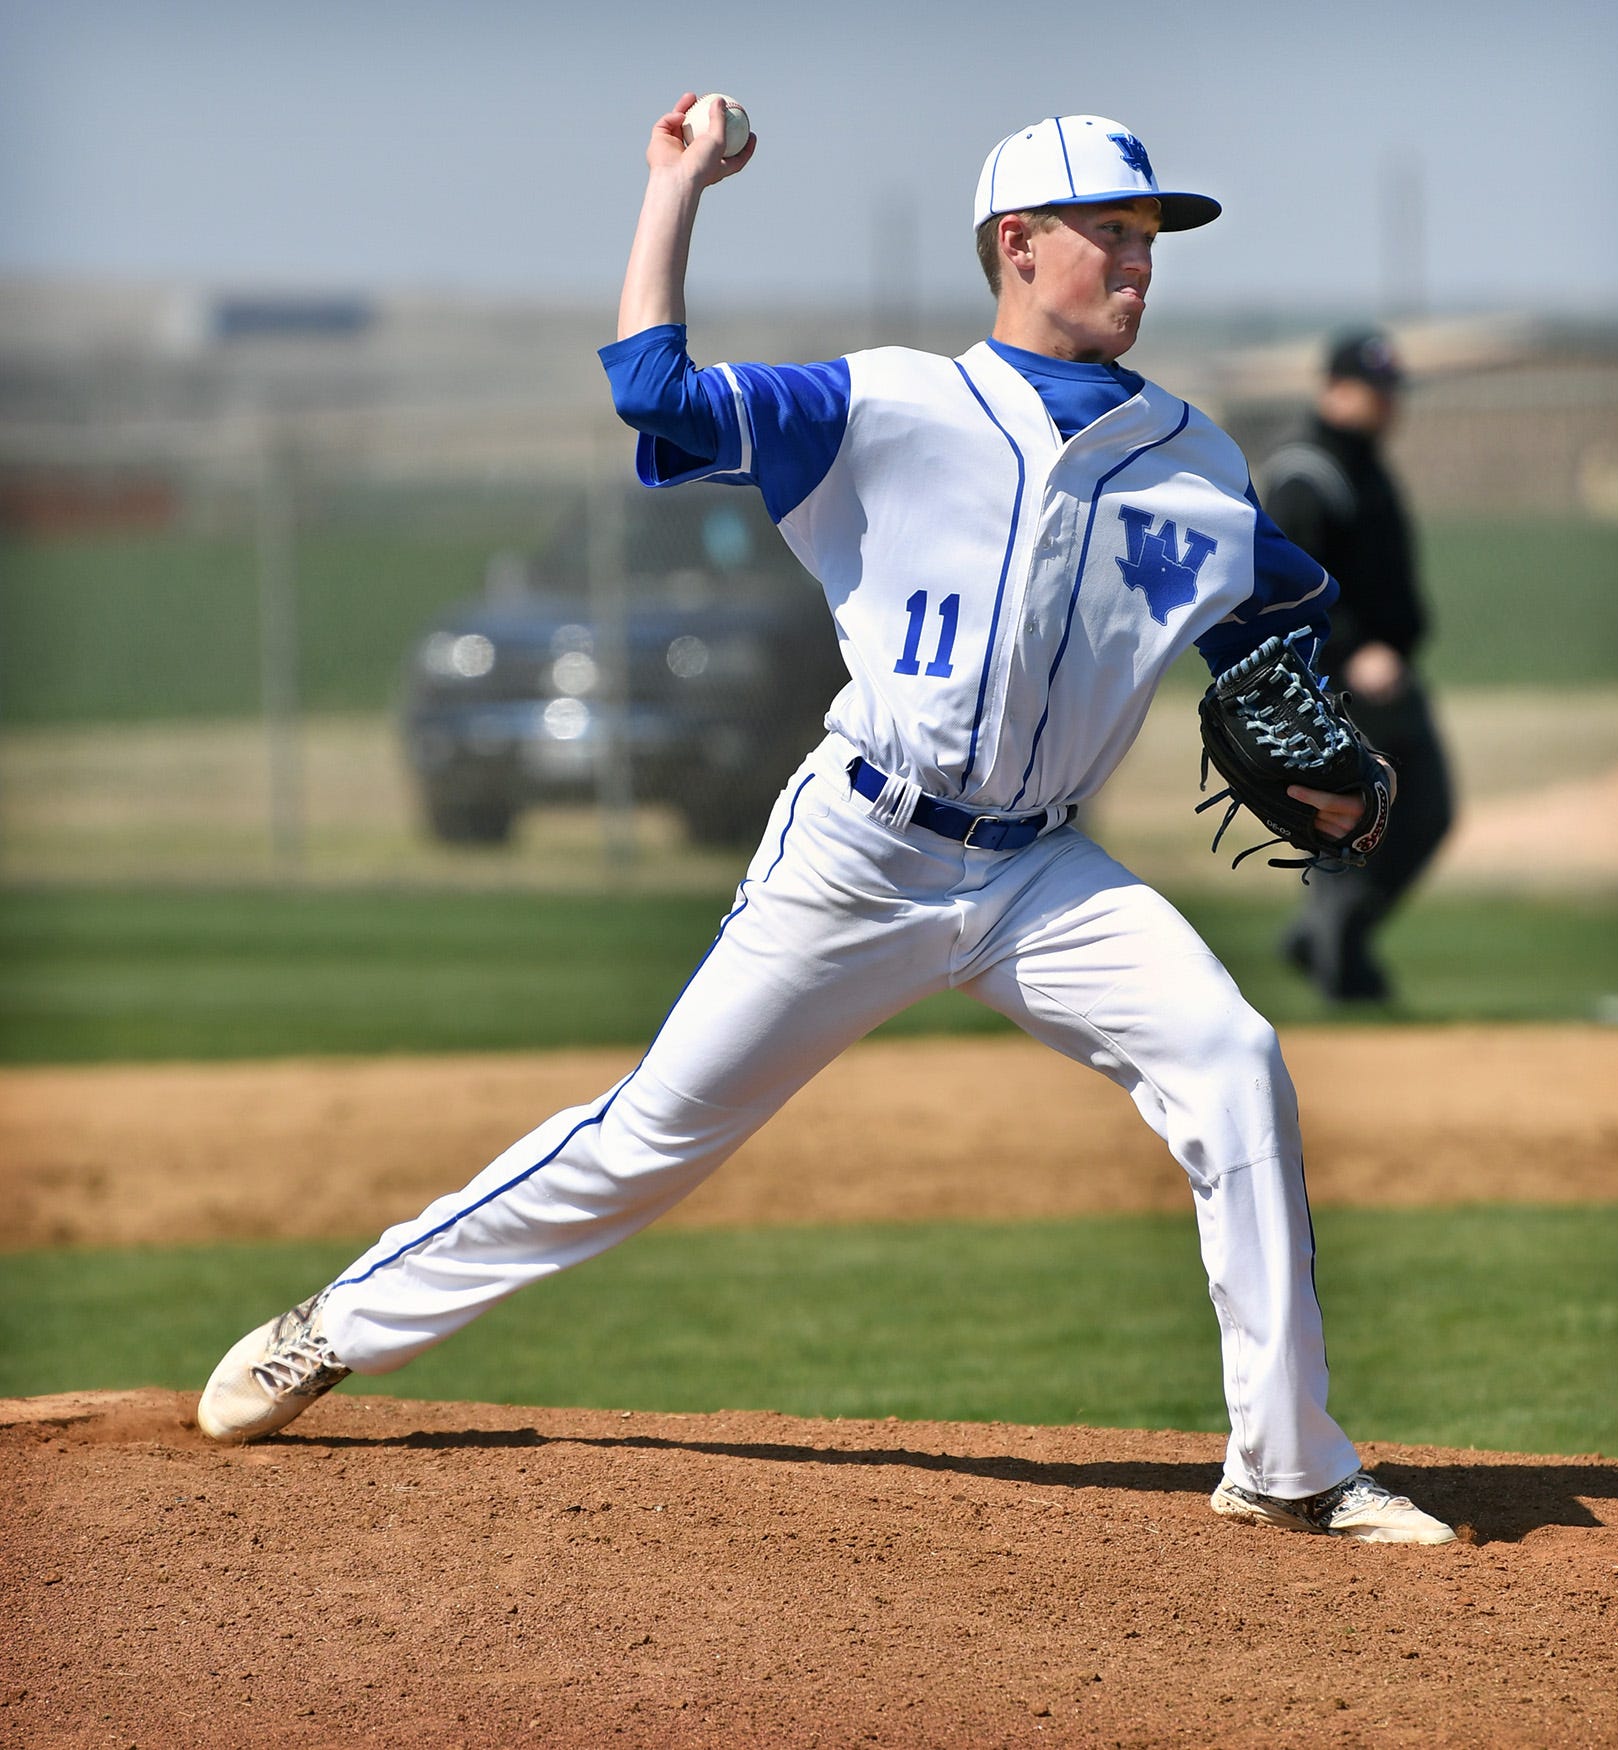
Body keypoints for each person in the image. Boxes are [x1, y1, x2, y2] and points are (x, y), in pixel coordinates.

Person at [197, 99, 1455, 1545]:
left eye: (1147, 236)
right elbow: (654, 394)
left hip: (1043, 868)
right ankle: (340, 1323)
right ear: (1016, 245)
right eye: (1107, 233)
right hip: (860, 851)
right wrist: (675, 186)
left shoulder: (1192, 459)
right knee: (648, 1138)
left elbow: (1271, 621)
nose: (1136, 261)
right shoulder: (885, 405)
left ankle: (1286, 1465)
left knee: (1232, 1059)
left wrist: (1306, 727)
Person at [1262, 330, 1454, 1003]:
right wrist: (1348, 650)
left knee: (1427, 812)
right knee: (1352, 823)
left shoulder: (1364, 465)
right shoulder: (1304, 473)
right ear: (1333, 390)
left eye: (1390, 392)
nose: (1386, 405)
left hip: (1391, 677)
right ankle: (1342, 970)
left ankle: (1326, 939)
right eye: (1374, 391)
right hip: (1335, 689)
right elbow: (1284, 591)